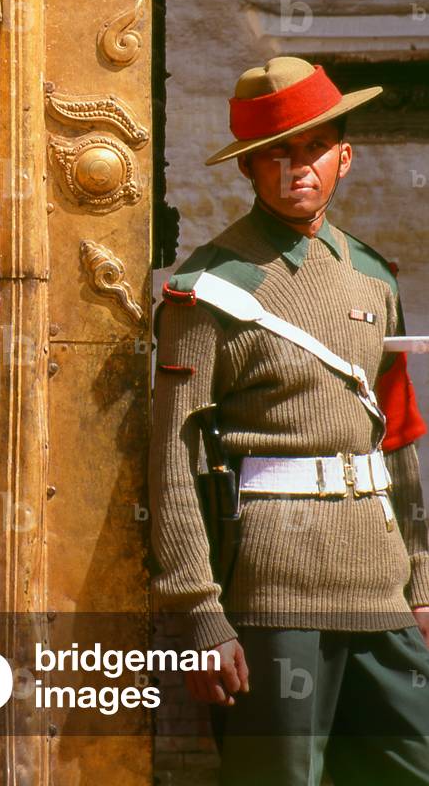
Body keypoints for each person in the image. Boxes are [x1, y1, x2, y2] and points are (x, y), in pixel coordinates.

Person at [149, 56, 429, 785]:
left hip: (382, 589)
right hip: (274, 596)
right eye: (276, 152)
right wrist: (201, 614)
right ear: (248, 168)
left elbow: (396, 435)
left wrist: (423, 576)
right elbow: (173, 458)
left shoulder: (375, 276)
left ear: (345, 153)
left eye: (313, 147)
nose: (296, 167)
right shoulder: (207, 290)